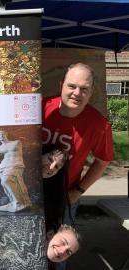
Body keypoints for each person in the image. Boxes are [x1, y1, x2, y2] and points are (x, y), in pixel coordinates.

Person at [42, 62, 114, 224]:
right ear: (62, 85)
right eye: (72, 86)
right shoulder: (40, 108)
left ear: (91, 92)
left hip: (63, 197)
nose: (77, 93)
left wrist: (78, 191)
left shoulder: (99, 125)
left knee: (58, 247)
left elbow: (103, 161)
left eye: (84, 88)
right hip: (30, 192)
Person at [0, 130, 32, 212]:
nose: (1, 135)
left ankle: (19, 202)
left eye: (3, 134)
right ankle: (14, 202)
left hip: (16, 164)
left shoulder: (16, 142)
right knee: (4, 183)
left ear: (6, 134)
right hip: (3, 166)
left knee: (6, 180)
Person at [42, 144, 70, 233]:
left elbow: (52, 221)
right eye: (50, 159)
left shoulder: (55, 196)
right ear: (41, 154)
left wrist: (51, 230)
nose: (51, 167)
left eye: (57, 166)